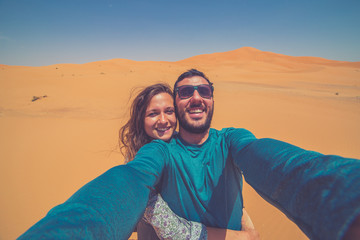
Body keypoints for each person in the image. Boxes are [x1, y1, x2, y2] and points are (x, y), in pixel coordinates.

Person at [18, 69, 360, 240]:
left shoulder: (232, 140)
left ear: (212, 99)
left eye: (204, 90)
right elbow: (123, 190)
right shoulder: (155, 154)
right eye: (184, 92)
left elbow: (275, 163)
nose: (194, 97)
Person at [118, 83, 257, 239]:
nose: (163, 120)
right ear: (141, 120)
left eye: (169, 111)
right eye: (153, 114)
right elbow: (175, 232)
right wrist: (245, 236)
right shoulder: (140, 164)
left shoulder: (182, 145)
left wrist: (242, 216)